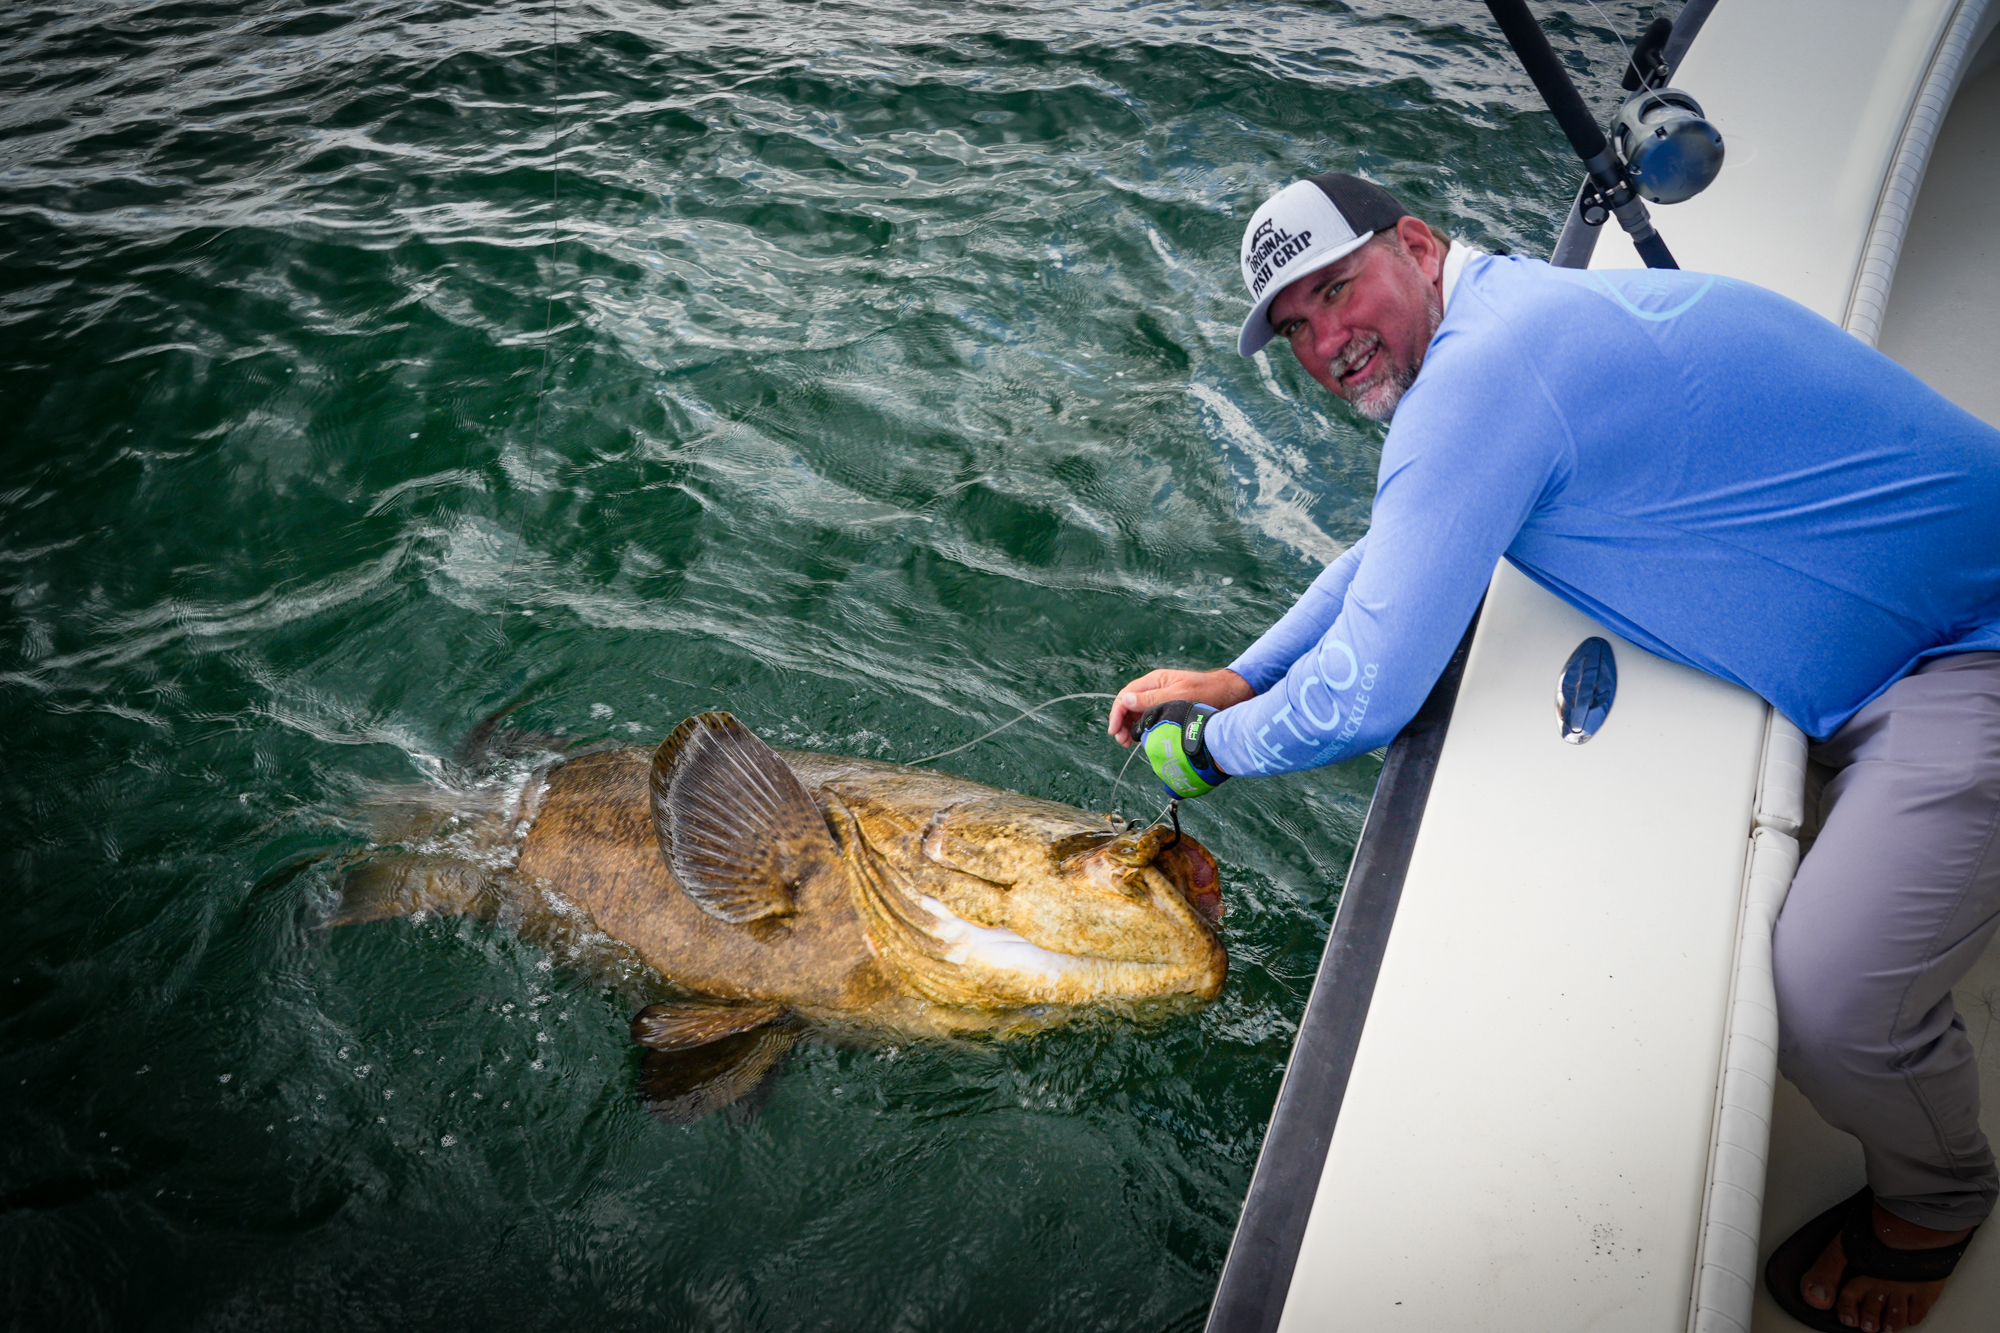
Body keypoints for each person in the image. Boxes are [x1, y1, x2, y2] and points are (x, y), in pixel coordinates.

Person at [1108, 172, 2000, 1333]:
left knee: (1829, 999)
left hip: (1964, 656)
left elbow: (1369, 692)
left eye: (1335, 289)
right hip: (1912, 638)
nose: (1325, 341)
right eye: (1294, 328)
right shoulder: (1507, 322)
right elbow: (1404, 542)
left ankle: (1939, 1196)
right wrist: (1241, 672)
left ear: (1416, 245)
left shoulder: (1483, 377)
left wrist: (1213, 751)